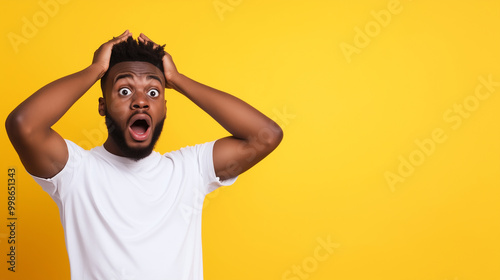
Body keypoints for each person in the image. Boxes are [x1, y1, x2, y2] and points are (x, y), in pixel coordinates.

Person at [5, 30, 283, 279]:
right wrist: (96, 69)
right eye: (124, 90)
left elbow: (265, 136)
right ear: (103, 106)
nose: (140, 101)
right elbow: (24, 125)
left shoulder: (189, 170)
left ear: (164, 108)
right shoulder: (76, 172)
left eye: (153, 91)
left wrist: (177, 79)